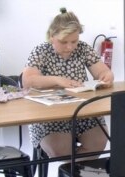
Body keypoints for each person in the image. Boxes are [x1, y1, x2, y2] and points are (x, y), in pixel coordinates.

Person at [22, 8, 114, 158]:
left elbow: (103, 72)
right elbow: (28, 80)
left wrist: (107, 76)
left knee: (99, 142)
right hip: (50, 117)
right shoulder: (41, 51)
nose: (70, 47)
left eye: (74, 41)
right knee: (60, 150)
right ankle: (77, 171)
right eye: (63, 42)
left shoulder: (83, 49)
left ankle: (73, 172)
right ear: (52, 36)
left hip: (82, 111)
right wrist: (58, 80)